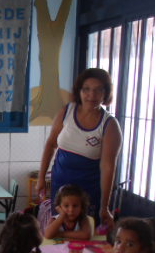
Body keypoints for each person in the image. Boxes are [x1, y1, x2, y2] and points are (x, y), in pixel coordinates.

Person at [37, 68, 122, 228]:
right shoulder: (67, 111)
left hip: (88, 192)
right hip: (60, 187)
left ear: (106, 93)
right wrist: (41, 178)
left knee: (84, 235)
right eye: (87, 89)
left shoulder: (110, 125)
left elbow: (108, 168)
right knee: (58, 231)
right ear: (79, 91)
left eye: (98, 90)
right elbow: (50, 144)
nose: (92, 95)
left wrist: (104, 207)